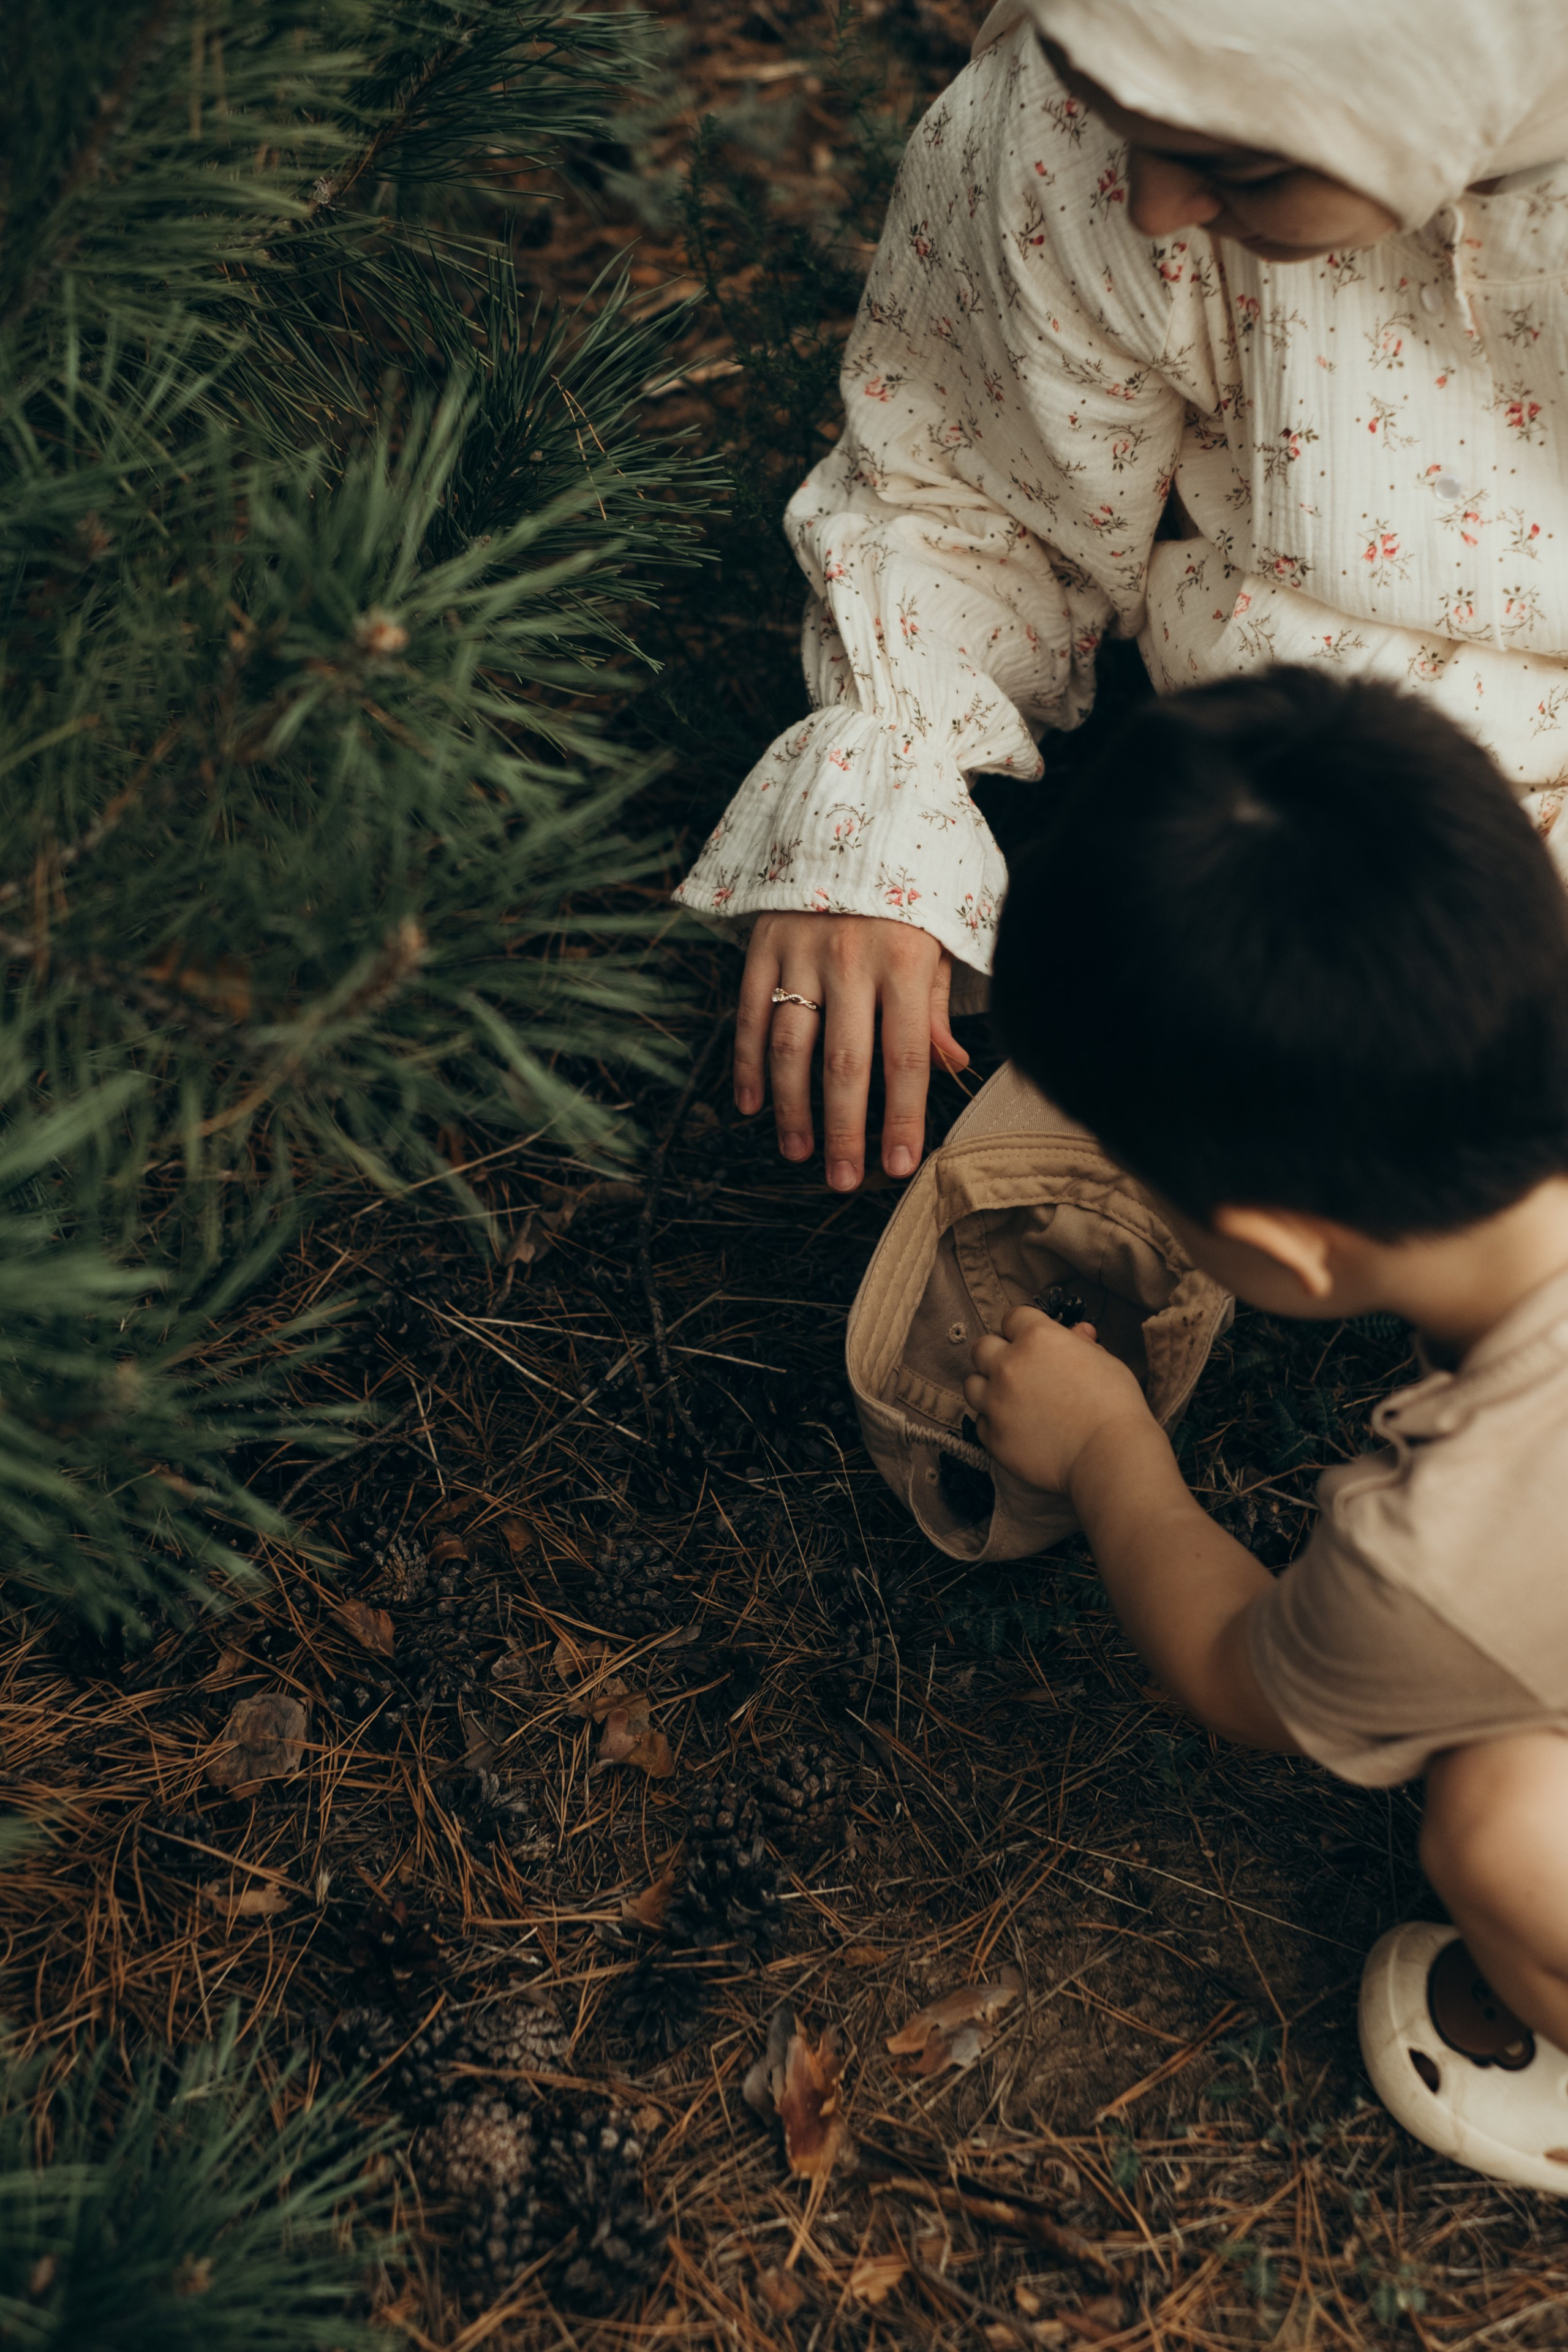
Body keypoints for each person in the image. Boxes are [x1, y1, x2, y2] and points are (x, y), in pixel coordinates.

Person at [674, 0, 1568, 1196]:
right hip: (1267, 820)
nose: (1151, 204)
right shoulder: (1082, 113)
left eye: (1235, 162)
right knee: (1043, 1249)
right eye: (1126, 122)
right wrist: (883, 785)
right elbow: (969, 490)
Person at [964, 666, 1568, 2187]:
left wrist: (1107, 1449)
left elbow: (1236, 1670)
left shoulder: (1435, 1557)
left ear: (1284, 1251)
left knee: (1499, 1829)